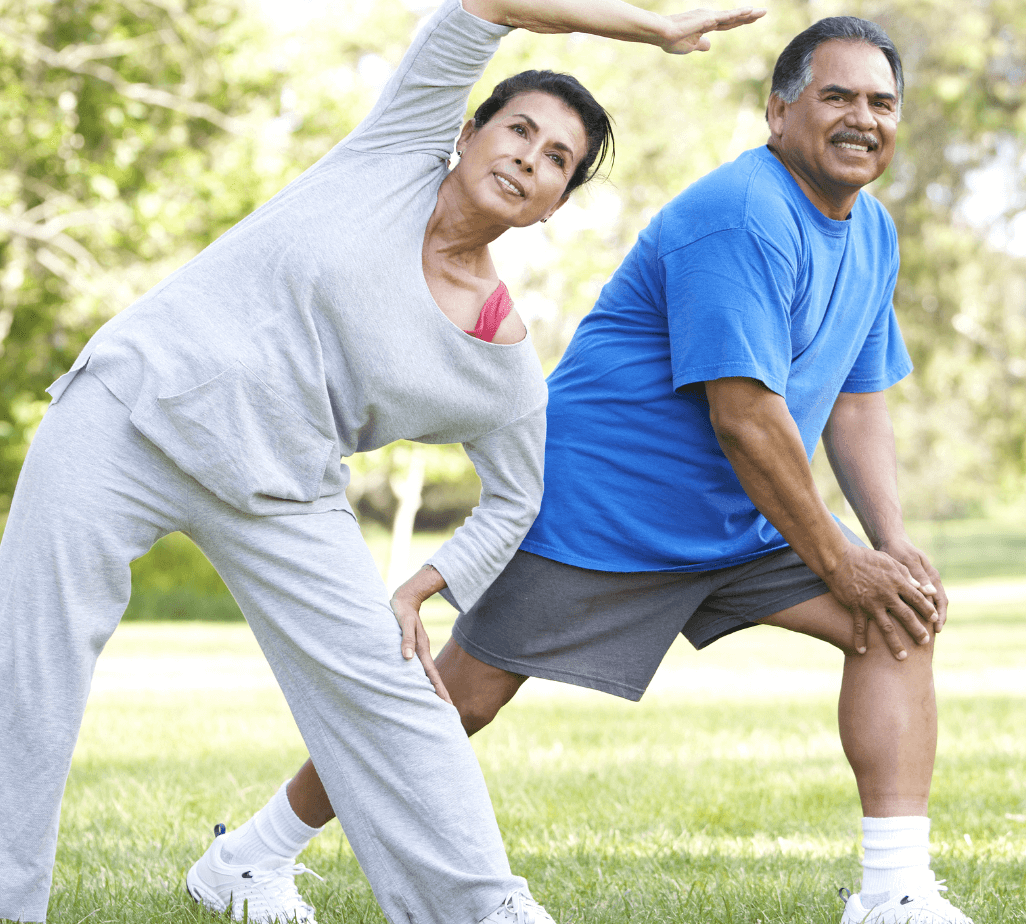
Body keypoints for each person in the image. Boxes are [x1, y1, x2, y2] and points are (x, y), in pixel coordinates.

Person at [0, 2, 766, 924]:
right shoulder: (394, 151)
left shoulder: (499, 356)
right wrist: (653, 29)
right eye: (519, 131)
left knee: (393, 689)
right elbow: (492, 4)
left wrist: (423, 586)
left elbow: (518, 496)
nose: (529, 159)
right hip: (133, 407)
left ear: (554, 206)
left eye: (557, 162)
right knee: (34, 641)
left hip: (280, 491)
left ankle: (484, 908)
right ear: (467, 135)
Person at [224, 15, 977, 924]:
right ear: (778, 113)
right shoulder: (741, 217)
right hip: (597, 509)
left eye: (882, 102)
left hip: (740, 519)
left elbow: (856, 398)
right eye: (837, 97)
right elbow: (746, 418)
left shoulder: (872, 233)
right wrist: (840, 556)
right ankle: (250, 859)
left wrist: (889, 547)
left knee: (895, 618)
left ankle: (893, 894)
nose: (863, 118)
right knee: (458, 702)